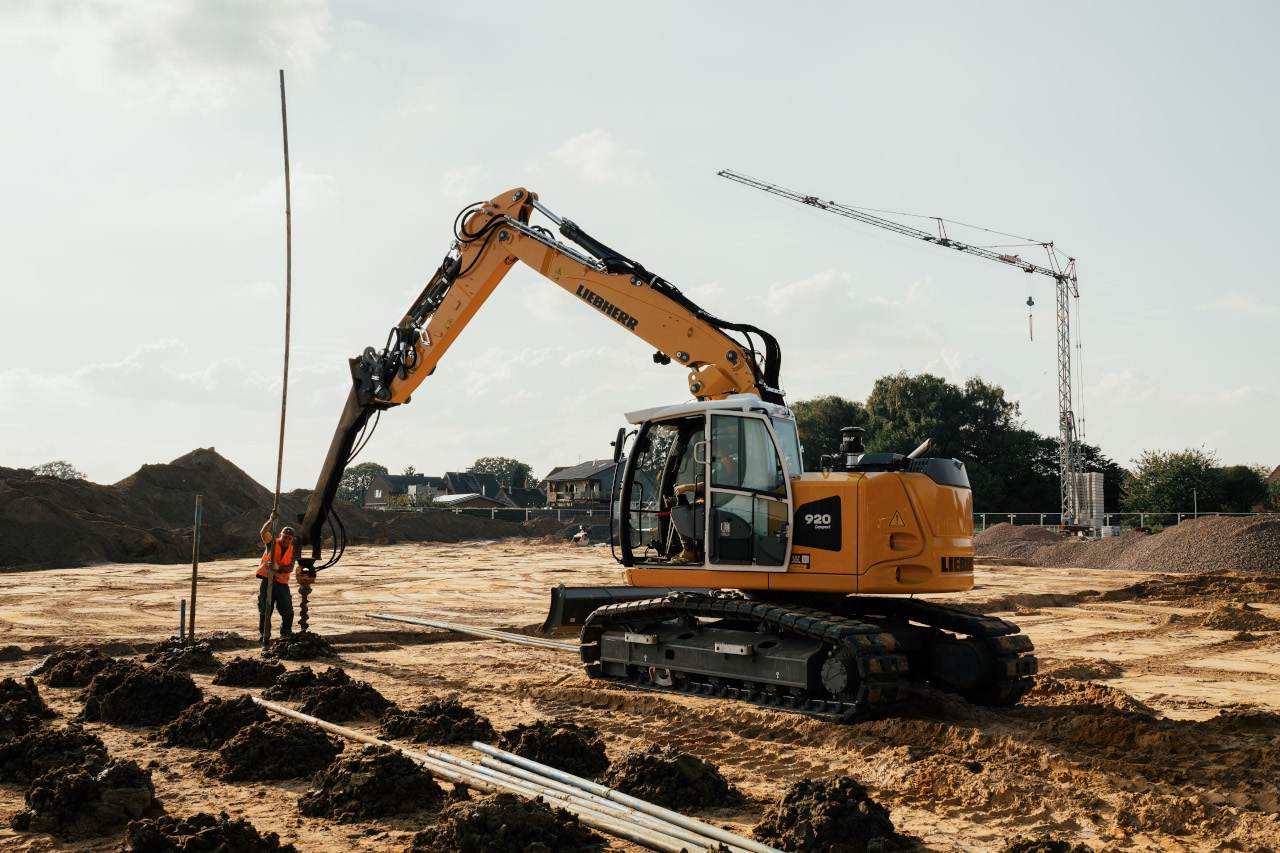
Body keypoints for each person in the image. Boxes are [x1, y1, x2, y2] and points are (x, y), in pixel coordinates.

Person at [256, 515, 295, 640]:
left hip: (282, 585)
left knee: (288, 612)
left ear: (292, 539)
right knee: (265, 611)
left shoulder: (292, 550)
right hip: (267, 582)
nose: (286, 540)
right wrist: (271, 520)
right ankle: (264, 636)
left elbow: (290, 568)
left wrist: (278, 567)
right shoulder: (271, 543)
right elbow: (263, 532)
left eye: (289, 538)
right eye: (284, 537)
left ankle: (285, 634)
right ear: (280, 535)